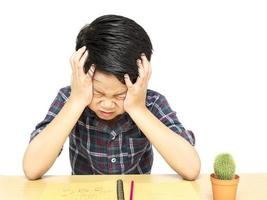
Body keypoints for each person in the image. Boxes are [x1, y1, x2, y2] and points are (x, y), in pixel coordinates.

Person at [23, 14, 201, 180]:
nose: (107, 104)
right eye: (98, 92)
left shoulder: (151, 103)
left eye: (120, 95)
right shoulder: (70, 99)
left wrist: (138, 109)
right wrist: (77, 101)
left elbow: (191, 169)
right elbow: (32, 168)